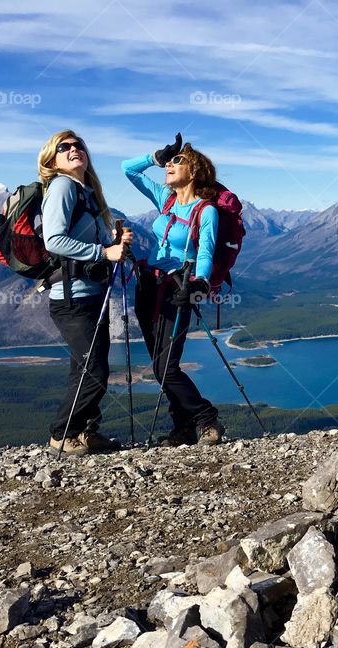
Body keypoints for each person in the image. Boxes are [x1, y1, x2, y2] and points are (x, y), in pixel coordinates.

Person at [122, 134, 225, 446]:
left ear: (193, 172)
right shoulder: (165, 199)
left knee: (166, 367)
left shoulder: (205, 210)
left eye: (177, 162)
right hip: (148, 286)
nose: (169, 165)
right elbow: (129, 170)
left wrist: (199, 283)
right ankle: (182, 428)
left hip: (178, 287)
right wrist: (156, 156)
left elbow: (205, 252)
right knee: (160, 366)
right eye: (169, 162)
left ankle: (207, 419)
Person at [39, 130, 132, 456]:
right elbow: (54, 240)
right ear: (53, 159)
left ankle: (86, 433)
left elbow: (85, 244)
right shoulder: (63, 186)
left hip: (91, 294)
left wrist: (115, 243)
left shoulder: (86, 193)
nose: (74, 149)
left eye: (79, 145)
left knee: (85, 368)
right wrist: (104, 254)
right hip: (72, 298)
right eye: (64, 147)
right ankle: (61, 436)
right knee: (95, 370)